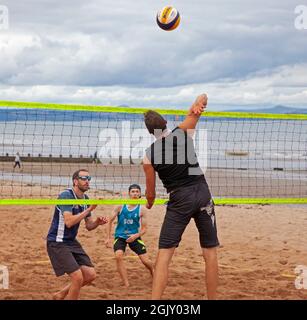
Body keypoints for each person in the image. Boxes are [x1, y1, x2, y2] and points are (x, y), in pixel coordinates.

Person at [143, 94, 219, 300]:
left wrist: (149, 203)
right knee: (210, 252)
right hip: (202, 193)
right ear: (166, 122)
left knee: (164, 256)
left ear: (150, 132)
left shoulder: (149, 155)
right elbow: (203, 98)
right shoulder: (183, 132)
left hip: (179, 200)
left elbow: (150, 194)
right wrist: (197, 107)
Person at [46, 169, 108, 300]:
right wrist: (90, 209)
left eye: (88, 178)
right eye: (83, 178)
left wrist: (97, 222)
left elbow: (89, 226)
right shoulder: (66, 196)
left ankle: (60, 294)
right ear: (75, 181)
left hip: (71, 241)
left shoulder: (85, 199)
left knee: (90, 275)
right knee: (77, 277)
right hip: (57, 241)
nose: (87, 181)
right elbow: (69, 222)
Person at [105, 184, 154, 287]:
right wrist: (108, 238)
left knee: (145, 261)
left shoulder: (142, 209)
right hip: (120, 237)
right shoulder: (120, 206)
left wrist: (135, 236)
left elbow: (144, 229)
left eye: (137, 191)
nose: (135, 193)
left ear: (140, 194)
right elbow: (109, 221)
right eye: (133, 191)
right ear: (129, 193)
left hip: (134, 237)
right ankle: (126, 283)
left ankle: (153, 271)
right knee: (118, 256)